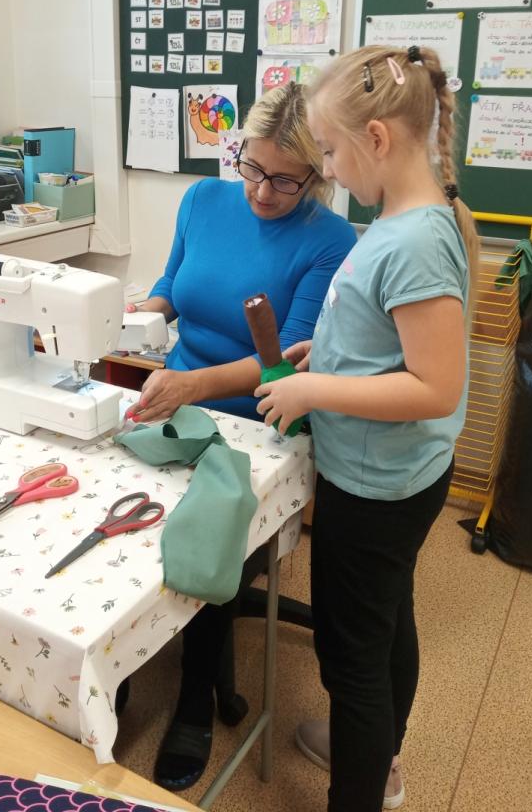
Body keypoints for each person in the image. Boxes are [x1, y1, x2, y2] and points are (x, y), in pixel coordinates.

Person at [255, 45, 479, 812]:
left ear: (376, 138)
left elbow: (435, 387)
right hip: (387, 474)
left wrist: (315, 386)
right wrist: (325, 351)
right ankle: (378, 758)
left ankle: (361, 782)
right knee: (384, 623)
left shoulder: (415, 241)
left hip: (376, 487)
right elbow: (387, 338)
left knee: (350, 655)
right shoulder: (399, 221)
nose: (327, 168)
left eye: (328, 150)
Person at [126, 81, 357, 792]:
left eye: (286, 180)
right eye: (252, 168)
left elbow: (287, 359)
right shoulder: (202, 199)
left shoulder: (331, 240)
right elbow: (171, 287)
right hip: (178, 398)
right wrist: (134, 315)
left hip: (262, 420)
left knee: (212, 538)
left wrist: (192, 385)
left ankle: (196, 699)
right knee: (119, 519)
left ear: (317, 174)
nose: (261, 191)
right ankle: (120, 668)